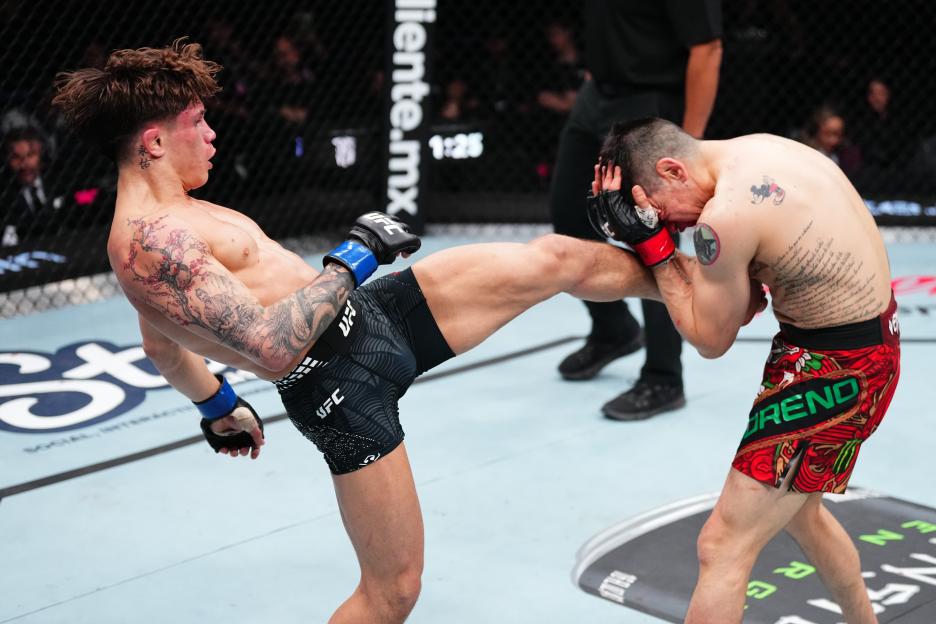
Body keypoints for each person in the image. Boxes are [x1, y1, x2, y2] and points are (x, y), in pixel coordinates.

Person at [52, 41, 660, 623]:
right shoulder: (150, 239)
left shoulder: (176, 214)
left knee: (556, 260)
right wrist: (354, 258)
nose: (212, 135)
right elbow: (269, 346)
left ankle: (688, 281)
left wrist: (218, 407)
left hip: (371, 318)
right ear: (155, 142)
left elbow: (161, 344)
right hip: (339, 390)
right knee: (392, 590)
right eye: (198, 122)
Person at [589, 117, 899, 624]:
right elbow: (754, 289)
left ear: (672, 169)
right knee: (803, 516)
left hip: (837, 372)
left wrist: (653, 248)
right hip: (859, 346)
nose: (671, 225)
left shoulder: (725, 216)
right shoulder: (764, 146)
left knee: (722, 545)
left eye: (661, 209)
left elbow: (711, 339)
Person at [548, 0, 723, 421]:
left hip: (649, 104)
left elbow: (708, 47)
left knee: (651, 232)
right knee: (570, 216)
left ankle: (664, 374)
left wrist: (691, 144)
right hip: (598, 94)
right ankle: (613, 329)